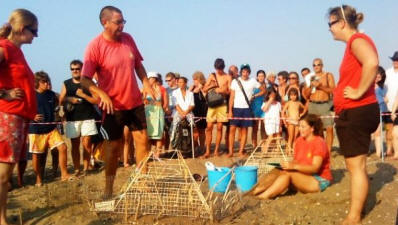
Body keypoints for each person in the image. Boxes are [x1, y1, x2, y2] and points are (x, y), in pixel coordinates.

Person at [80, 5, 153, 198]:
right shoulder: (95, 46)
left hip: (135, 102)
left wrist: (145, 83)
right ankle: (108, 189)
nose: (122, 25)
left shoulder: (128, 39)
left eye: (123, 21)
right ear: (105, 23)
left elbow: (138, 65)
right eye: (118, 21)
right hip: (113, 106)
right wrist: (101, 94)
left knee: (143, 141)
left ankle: (142, 181)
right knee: (113, 148)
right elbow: (84, 79)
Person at [329, 5, 379, 225]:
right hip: (356, 111)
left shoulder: (357, 41)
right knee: (357, 165)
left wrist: (358, 91)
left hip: (357, 111)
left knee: (356, 167)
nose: (329, 29)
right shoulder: (356, 41)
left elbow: (372, 63)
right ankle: (357, 210)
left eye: (330, 24)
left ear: (341, 23)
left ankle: (354, 217)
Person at [0, 8, 38, 225]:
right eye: (34, 32)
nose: (35, 36)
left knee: (6, 176)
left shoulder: (16, 50)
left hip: (18, 118)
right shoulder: (4, 47)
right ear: (23, 29)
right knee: (3, 175)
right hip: (7, 117)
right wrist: (4, 93)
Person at [255, 114, 332, 199]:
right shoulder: (299, 141)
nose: (300, 129)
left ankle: (264, 195)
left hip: (318, 179)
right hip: (304, 174)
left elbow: (315, 168)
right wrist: (287, 165)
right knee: (279, 169)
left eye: (303, 127)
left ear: (312, 128)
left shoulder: (319, 143)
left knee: (288, 172)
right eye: (299, 126)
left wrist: (293, 166)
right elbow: (297, 160)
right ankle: (257, 190)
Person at [29, 71, 72, 186]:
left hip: (51, 128)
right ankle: (38, 179)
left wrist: (64, 115)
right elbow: (24, 108)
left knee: (63, 147)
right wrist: (31, 115)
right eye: (44, 81)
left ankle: (64, 174)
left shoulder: (52, 94)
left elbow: (62, 101)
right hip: (36, 130)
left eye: (48, 80)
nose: (47, 83)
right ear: (37, 82)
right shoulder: (31, 95)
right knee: (37, 155)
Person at [59, 59, 99, 176]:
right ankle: (77, 169)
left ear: (82, 69)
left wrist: (84, 95)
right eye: (72, 69)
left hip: (88, 117)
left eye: (77, 69)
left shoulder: (89, 82)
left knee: (87, 144)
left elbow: (96, 100)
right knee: (75, 145)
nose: (75, 71)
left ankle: (86, 168)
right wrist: (68, 99)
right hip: (72, 118)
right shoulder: (66, 83)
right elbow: (61, 99)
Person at [228, 64, 263, 157]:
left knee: (244, 130)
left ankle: (240, 151)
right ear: (241, 72)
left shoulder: (252, 81)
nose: (245, 73)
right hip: (236, 108)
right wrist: (230, 110)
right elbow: (231, 97)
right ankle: (231, 152)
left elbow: (263, 90)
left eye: (247, 71)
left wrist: (255, 96)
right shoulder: (235, 81)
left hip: (247, 108)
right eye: (243, 71)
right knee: (232, 129)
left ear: (249, 72)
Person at [303, 58, 335, 152]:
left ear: (322, 65)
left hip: (325, 104)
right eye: (314, 65)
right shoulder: (309, 77)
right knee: (317, 129)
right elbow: (306, 94)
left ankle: (328, 151)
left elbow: (333, 90)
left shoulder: (328, 75)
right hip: (313, 104)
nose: (316, 66)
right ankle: (321, 149)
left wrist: (320, 86)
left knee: (329, 128)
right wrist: (312, 86)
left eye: (318, 64)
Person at [202, 58, 231, 158]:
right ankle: (207, 151)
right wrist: (212, 85)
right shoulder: (212, 76)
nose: (218, 70)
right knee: (209, 127)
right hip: (212, 104)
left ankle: (216, 151)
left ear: (223, 67)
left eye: (220, 68)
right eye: (217, 68)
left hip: (222, 103)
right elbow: (204, 89)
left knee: (219, 128)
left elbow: (230, 92)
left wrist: (223, 91)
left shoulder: (228, 77)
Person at [143, 72, 166, 155]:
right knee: (148, 133)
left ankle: (158, 154)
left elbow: (165, 103)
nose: (149, 80)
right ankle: (148, 154)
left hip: (159, 112)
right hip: (149, 113)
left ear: (155, 78)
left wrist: (161, 106)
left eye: (150, 78)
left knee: (159, 134)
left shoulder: (162, 89)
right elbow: (143, 100)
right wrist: (146, 101)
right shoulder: (145, 89)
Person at [170, 77, 195, 154]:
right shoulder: (175, 93)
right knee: (175, 132)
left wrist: (186, 112)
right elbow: (175, 105)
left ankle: (188, 150)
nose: (180, 84)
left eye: (181, 82)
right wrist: (182, 113)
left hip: (188, 114)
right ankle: (175, 150)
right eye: (179, 82)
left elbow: (192, 105)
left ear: (185, 83)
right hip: (177, 114)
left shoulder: (190, 93)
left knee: (188, 132)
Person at [189, 71, 208, 152]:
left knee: (202, 131)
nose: (194, 81)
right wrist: (191, 90)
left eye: (196, 79)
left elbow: (206, 97)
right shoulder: (192, 88)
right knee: (194, 131)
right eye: (193, 79)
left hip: (202, 111)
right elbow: (187, 97)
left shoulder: (204, 86)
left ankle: (202, 147)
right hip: (193, 111)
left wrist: (200, 88)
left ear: (200, 79)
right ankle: (195, 146)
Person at [384, 51, 398, 157]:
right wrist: (384, 96)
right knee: (389, 128)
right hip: (389, 105)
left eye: (397, 60)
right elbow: (382, 86)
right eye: (394, 60)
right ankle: (389, 148)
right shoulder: (387, 73)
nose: (395, 62)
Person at [262, 87, 282, 152]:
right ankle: (264, 150)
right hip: (269, 122)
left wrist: (280, 125)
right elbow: (264, 109)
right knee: (271, 136)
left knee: (278, 135)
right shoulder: (265, 102)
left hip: (277, 122)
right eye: (271, 94)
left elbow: (280, 114)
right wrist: (270, 100)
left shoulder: (278, 103)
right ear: (268, 94)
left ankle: (277, 150)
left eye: (274, 94)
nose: (272, 95)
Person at [373, 67, 387, 158]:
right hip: (371, 109)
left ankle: (378, 153)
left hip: (381, 109)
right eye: (376, 76)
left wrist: (384, 99)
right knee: (371, 132)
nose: (378, 78)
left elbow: (384, 98)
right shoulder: (368, 85)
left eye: (380, 77)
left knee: (378, 132)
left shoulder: (382, 87)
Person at [251, 70, 267, 148]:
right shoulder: (253, 86)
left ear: (265, 77)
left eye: (262, 76)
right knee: (255, 128)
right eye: (259, 76)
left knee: (264, 128)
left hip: (264, 109)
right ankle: (254, 146)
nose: (261, 77)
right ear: (257, 77)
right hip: (255, 108)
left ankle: (264, 145)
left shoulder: (267, 86)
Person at [164, 72, 178, 150]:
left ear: (174, 79)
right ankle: (166, 150)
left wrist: (174, 114)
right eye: (166, 81)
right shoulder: (165, 90)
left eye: (169, 80)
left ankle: (175, 151)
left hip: (176, 114)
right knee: (166, 134)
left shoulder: (180, 89)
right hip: (166, 114)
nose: (168, 82)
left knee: (176, 133)